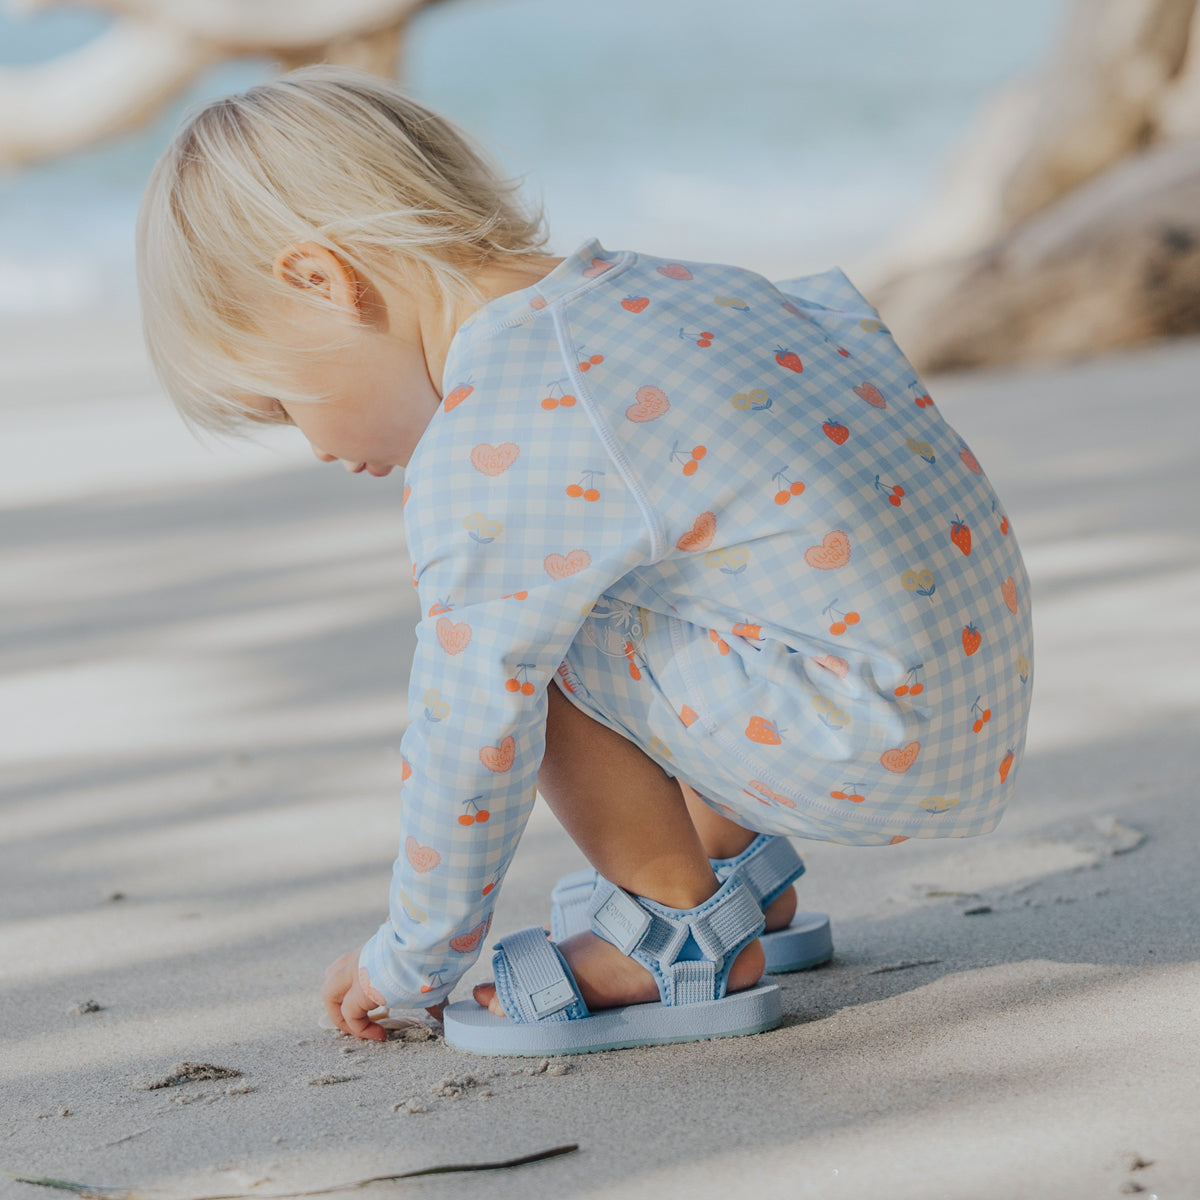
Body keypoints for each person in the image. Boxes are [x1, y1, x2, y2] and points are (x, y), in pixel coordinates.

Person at [136, 64, 1033, 1056]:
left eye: (280, 400)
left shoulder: (500, 432)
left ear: (322, 281)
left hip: (864, 742)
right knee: (659, 574)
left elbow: (468, 736)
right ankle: (734, 868)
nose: (309, 443)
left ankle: (675, 926)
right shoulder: (674, 290)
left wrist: (411, 961)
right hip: (963, 697)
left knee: (518, 640)